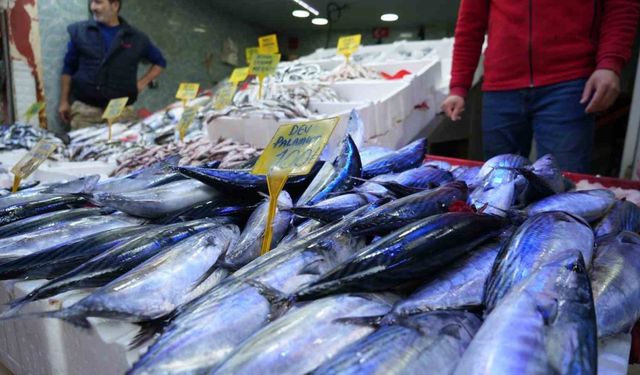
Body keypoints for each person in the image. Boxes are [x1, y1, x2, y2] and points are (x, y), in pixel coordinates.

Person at [441, 0, 640, 173]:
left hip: (568, 82)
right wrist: (459, 86)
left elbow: (621, 7)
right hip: (501, 87)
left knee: (562, 183)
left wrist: (610, 63)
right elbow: (470, 23)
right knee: (497, 183)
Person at [58, 0, 167, 130]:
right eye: (91, 2)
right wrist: (64, 101)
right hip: (85, 113)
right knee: (84, 150)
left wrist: (141, 84)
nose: (93, 7)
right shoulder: (80, 32)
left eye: (98, 2)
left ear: (114, 6)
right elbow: (68, 68)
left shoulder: (136, 38)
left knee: (125, 149)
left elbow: (160, 62)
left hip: (121, 112)